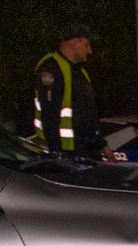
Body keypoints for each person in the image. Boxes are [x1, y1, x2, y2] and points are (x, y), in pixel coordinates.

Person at [34, 22, 111, 159]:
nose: (90, 51)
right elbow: (49, 117)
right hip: (66, 152)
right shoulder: (51, 68)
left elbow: (89, 114)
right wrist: (57, 155)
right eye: (87, 45)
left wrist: (102, 144)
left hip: (84, 151)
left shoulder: (80, 72)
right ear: (75, 43)